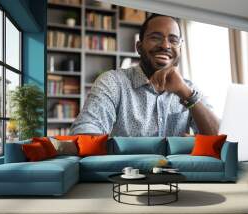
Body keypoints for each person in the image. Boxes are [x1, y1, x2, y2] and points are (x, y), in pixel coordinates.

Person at [70, 14, 219, 136]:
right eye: (156, 37)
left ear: (180, 48)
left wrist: (186, 94)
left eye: (173, 40)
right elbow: (84, 133)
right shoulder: (113, 82)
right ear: (139, 47)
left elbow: (221, 140)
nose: (165, 45)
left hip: (180, 172)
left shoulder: (189, 89)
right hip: (127, 171)